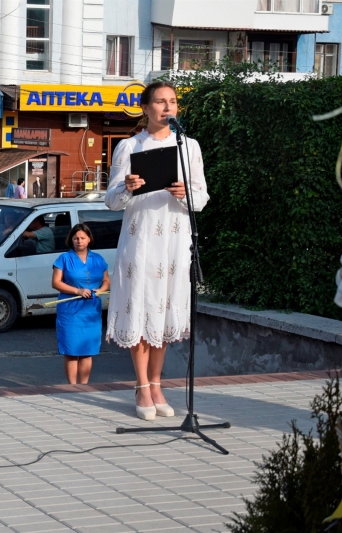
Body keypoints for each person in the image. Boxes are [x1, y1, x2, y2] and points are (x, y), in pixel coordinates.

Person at [104, 80, 210, 421]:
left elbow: (203, 198)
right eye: (161, 102)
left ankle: (157, 383)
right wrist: (128, 187)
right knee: (140, 309)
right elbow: (111, 201)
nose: (168, 108)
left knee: (163, 314)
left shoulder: (189, 146)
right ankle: (141, 386)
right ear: (146, 108)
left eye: (173, 102)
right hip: (141, 242)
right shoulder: (128, 146)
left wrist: (184, 193)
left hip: (175, 244)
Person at [52, 224, 110, 384]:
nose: (79, 241)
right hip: (70, 311)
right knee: (71, 351)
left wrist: (100, 290)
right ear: (71, 239)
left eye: (83, 238)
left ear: (89, 239)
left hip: (91, 311)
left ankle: (84, 386)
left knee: (87, 351)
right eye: (76, 238)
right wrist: (77, 291)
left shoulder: (98, 259)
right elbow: (56, 282)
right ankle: (72, 386)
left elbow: (106, 281)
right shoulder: (63, 258)